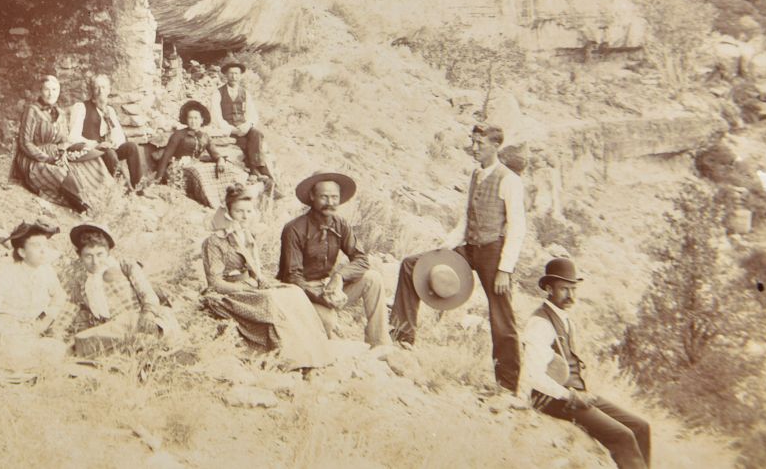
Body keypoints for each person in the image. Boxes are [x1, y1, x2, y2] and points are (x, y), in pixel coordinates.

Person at [390, 123, 524, 391]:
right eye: (472, 142)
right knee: (411, 266)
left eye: (480, 144)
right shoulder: (476, 175)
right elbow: (466, 218)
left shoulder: (510, 180)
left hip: (494, 253)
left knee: (501, 315)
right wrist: (445, 249)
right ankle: (402, 339)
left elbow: (518, 226)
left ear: (495, 145)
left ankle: (508, 386)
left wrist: (505, 269)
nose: (474, 148)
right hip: (470, 247)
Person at [519, 258, 651, 469]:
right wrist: (570, 395)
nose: (571, 296)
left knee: (641, 427)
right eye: (564, 289)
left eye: (573, 289)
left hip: (573, 394)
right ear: (548, 288)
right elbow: (533, 376)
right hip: (552, 398)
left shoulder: (564, 319)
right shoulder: (540, 323)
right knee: (623, 436)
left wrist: (580, 393)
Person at [201, 183, 331, 368]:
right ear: (228, 211)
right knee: (269, 300)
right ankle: (288, 359)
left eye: (249, 211)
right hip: (227, 293)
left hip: (249, 285)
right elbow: (215, 282)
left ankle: (313, 353)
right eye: (239, 211)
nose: (245, 216)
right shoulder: (214, 241)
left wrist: (260, 279)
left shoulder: (246, 235)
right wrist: (245, 287)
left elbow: (254, 267)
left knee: (294, 292)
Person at [278, 171, 388, 347]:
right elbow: (293, 277)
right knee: (327, 322)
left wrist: (339, 277)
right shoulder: (294, 229)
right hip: (301, 293)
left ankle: (380, 343)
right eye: (324, 197)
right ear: (312, 196)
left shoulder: (340, 224)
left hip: (329, 286)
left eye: (334, 197)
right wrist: (322, 297)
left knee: (373, 278)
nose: (330, 202)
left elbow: (361, 259)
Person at [60, 223, 181, 355]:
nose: (95, 261)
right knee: (80, 341)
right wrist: (54, 333)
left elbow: (148, 293)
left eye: (100, 254)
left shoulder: (125, 266)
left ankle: (145, 344)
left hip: (138, 320)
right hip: (110, 331)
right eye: (88, 256)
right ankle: (133, 347)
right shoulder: (82, 282)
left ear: (108, 252)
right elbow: (68, 310)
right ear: (80, 256)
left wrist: (148, 313)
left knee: (152, 323)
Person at [11, 75, 120, 213]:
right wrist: (48, 159)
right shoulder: (32, 110)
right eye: (47, 89)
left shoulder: (60, 113)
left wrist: (68, 152)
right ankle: (87, 208)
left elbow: (64, 141)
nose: (51, 94)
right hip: (34, 158)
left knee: (92, 160)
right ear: (40, 91)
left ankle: (109, 199)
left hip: (57, 154)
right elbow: (25, 143)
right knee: (64, 174)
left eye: (55, 90)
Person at [0, 220, 70, 359]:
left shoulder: (46, 270)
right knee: (11, 348)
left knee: (58, 350)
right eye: (36, 245)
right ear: (22, 252)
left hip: (33, 328)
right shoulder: (7, 271)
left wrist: (46, 320)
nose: (43, 250)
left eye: (45, 245)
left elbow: (59, 297)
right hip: (6, 325)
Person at [151, 100, 250, 208]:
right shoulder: (178, 135)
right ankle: (213, 204)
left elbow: (215, 154)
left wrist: (220, 160)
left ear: (202, 120)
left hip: (196, 165)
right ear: (186, 119)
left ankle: (232, 199)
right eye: (190, 118)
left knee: (229, 169)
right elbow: (166, 157)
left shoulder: (205, 136)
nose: (193, 121)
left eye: (196, 118)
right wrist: (158, 179)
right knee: (198, 172)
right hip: (178, 167)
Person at [66, 73, 142, 190]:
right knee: (108, 151)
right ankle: (125, 190)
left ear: (109, 90)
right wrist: (97, 144)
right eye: (97, 87)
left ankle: (139, 187)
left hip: (107, 151)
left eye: (104, 87)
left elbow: (119, 137)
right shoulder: (81, 107)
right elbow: (72, 137)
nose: (101, 91)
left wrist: (112, 142)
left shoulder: (109, 110)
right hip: (88, 150)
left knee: (131, 147)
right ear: (92, 90)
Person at [211, 61, 277, 185]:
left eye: (236, 74)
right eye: (230, 73)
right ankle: (255, 170)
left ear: (240, 76)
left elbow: (252, 114)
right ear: (225, 75)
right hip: (227, 127)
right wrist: (231, 129)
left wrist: (247, 126)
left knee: (257, 134)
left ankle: (257, 168)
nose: (233, 76)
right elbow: (216, 116)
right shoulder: (218, 93)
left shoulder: (245, 93)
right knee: (245, 143)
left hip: (243, 126)